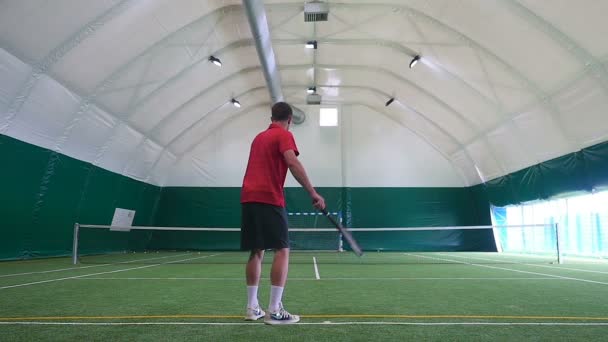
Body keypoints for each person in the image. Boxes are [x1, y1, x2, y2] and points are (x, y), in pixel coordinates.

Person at [240, 102, 325, 325]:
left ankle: (252, 308)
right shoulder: (283, 135)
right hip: (269, 197)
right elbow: (293, 162)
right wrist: (313, 193)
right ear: (289, 120)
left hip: (249, 197)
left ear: (271, 117)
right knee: (282, 250)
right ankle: (275, 310)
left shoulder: (258, 138)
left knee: (256, 251)